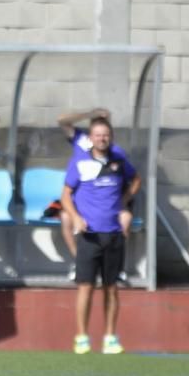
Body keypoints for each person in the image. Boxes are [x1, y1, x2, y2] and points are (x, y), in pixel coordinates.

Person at [61, 117, 141, 355]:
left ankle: (109, 337)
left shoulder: (119, 161)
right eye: (97, 134)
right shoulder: (80, 163)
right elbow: (65, 195)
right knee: (85, 286)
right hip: (90, 235)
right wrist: (75, 217)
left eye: (105, 134)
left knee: (111, 288)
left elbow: (135, 180)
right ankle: (82, 337)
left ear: (111, 137)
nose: (102, 138)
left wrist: (124, 202)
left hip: (114, 233)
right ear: (91, 137)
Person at [57, 108, 133, 281]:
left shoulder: (115, 152)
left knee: (125, 218)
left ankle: (115, 265)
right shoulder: (81, 139)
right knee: (66, 218)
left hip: (105, 202)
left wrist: (124, 200)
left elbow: (133, 177)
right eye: (96, 122)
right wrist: (88, 114)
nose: (101, 136)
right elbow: (62, 119)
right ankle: (80, 262)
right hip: (80, 199)